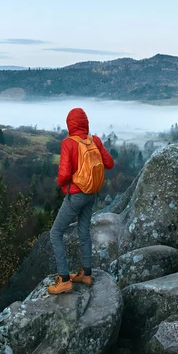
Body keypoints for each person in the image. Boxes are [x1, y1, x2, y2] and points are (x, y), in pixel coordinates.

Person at [47, 107, 114, 294]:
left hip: (75, 195)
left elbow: (64, 175)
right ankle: (86, 273)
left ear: (70, 124)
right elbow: (109, 163)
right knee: (83, 231)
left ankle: (64, 279)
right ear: (85, 123)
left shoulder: (69, 143)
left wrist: (59, 183)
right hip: (91, 193)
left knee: (55, 233)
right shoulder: (95, 141)